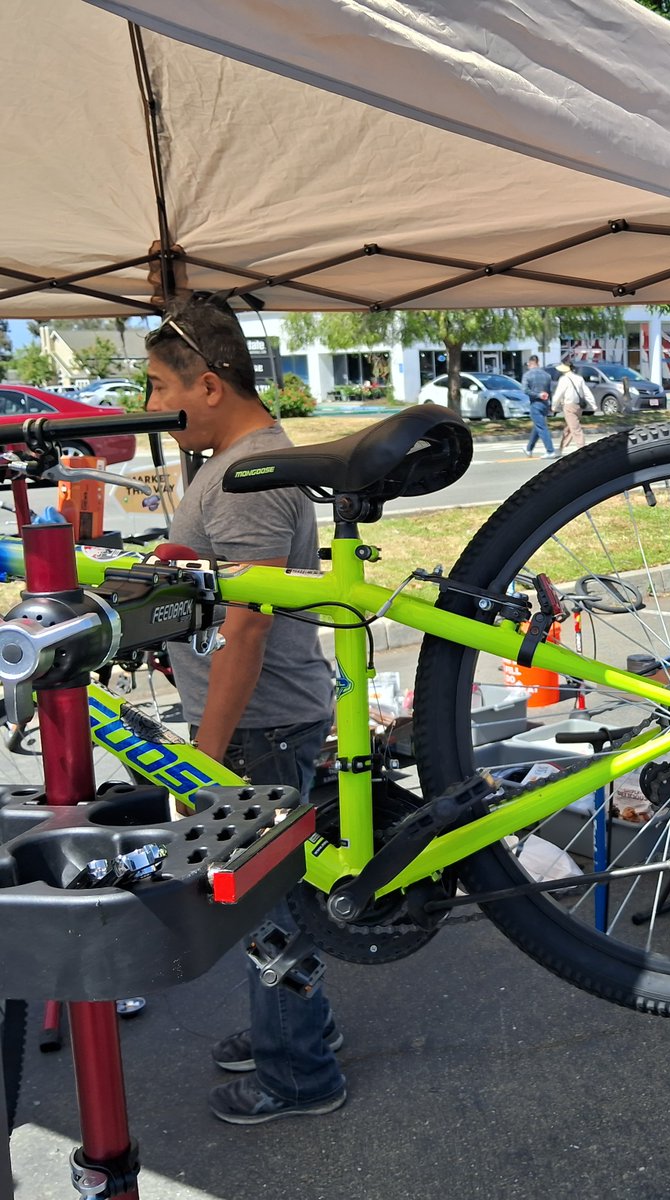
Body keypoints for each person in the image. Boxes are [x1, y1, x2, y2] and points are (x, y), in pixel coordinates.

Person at [145, 298, 345, 1125]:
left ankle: (299, 1073)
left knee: (269, 902)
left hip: (258, 724)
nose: (153, 406)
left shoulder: (245, 478)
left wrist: (208, 752)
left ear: (213, 385)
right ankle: (291, 1031)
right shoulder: (237, 461)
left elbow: (250, 624)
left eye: (160, 388)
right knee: (271, 898)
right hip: (266, 717)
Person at [550, 360, 589, 454]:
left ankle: (582, 449)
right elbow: (586, 392)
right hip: (579, 406)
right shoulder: (579, 378)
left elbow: (558, 394)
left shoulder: (564, 379)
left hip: (568, 406)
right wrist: (593, 404)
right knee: (570, 427)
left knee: (575, 429)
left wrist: (554, 406)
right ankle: (561, 448)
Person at [521, 353, 555, 457]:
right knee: (538, 426)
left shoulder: (527, 375)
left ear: (530, 363)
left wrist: (538, 395)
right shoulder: (547, 375)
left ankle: (550, 450)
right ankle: (529, 449)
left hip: (535, 403)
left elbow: (525, 390)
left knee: (541, 427)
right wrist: (551, 404)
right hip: (545, 404)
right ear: (538, 362)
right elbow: (550, 390)